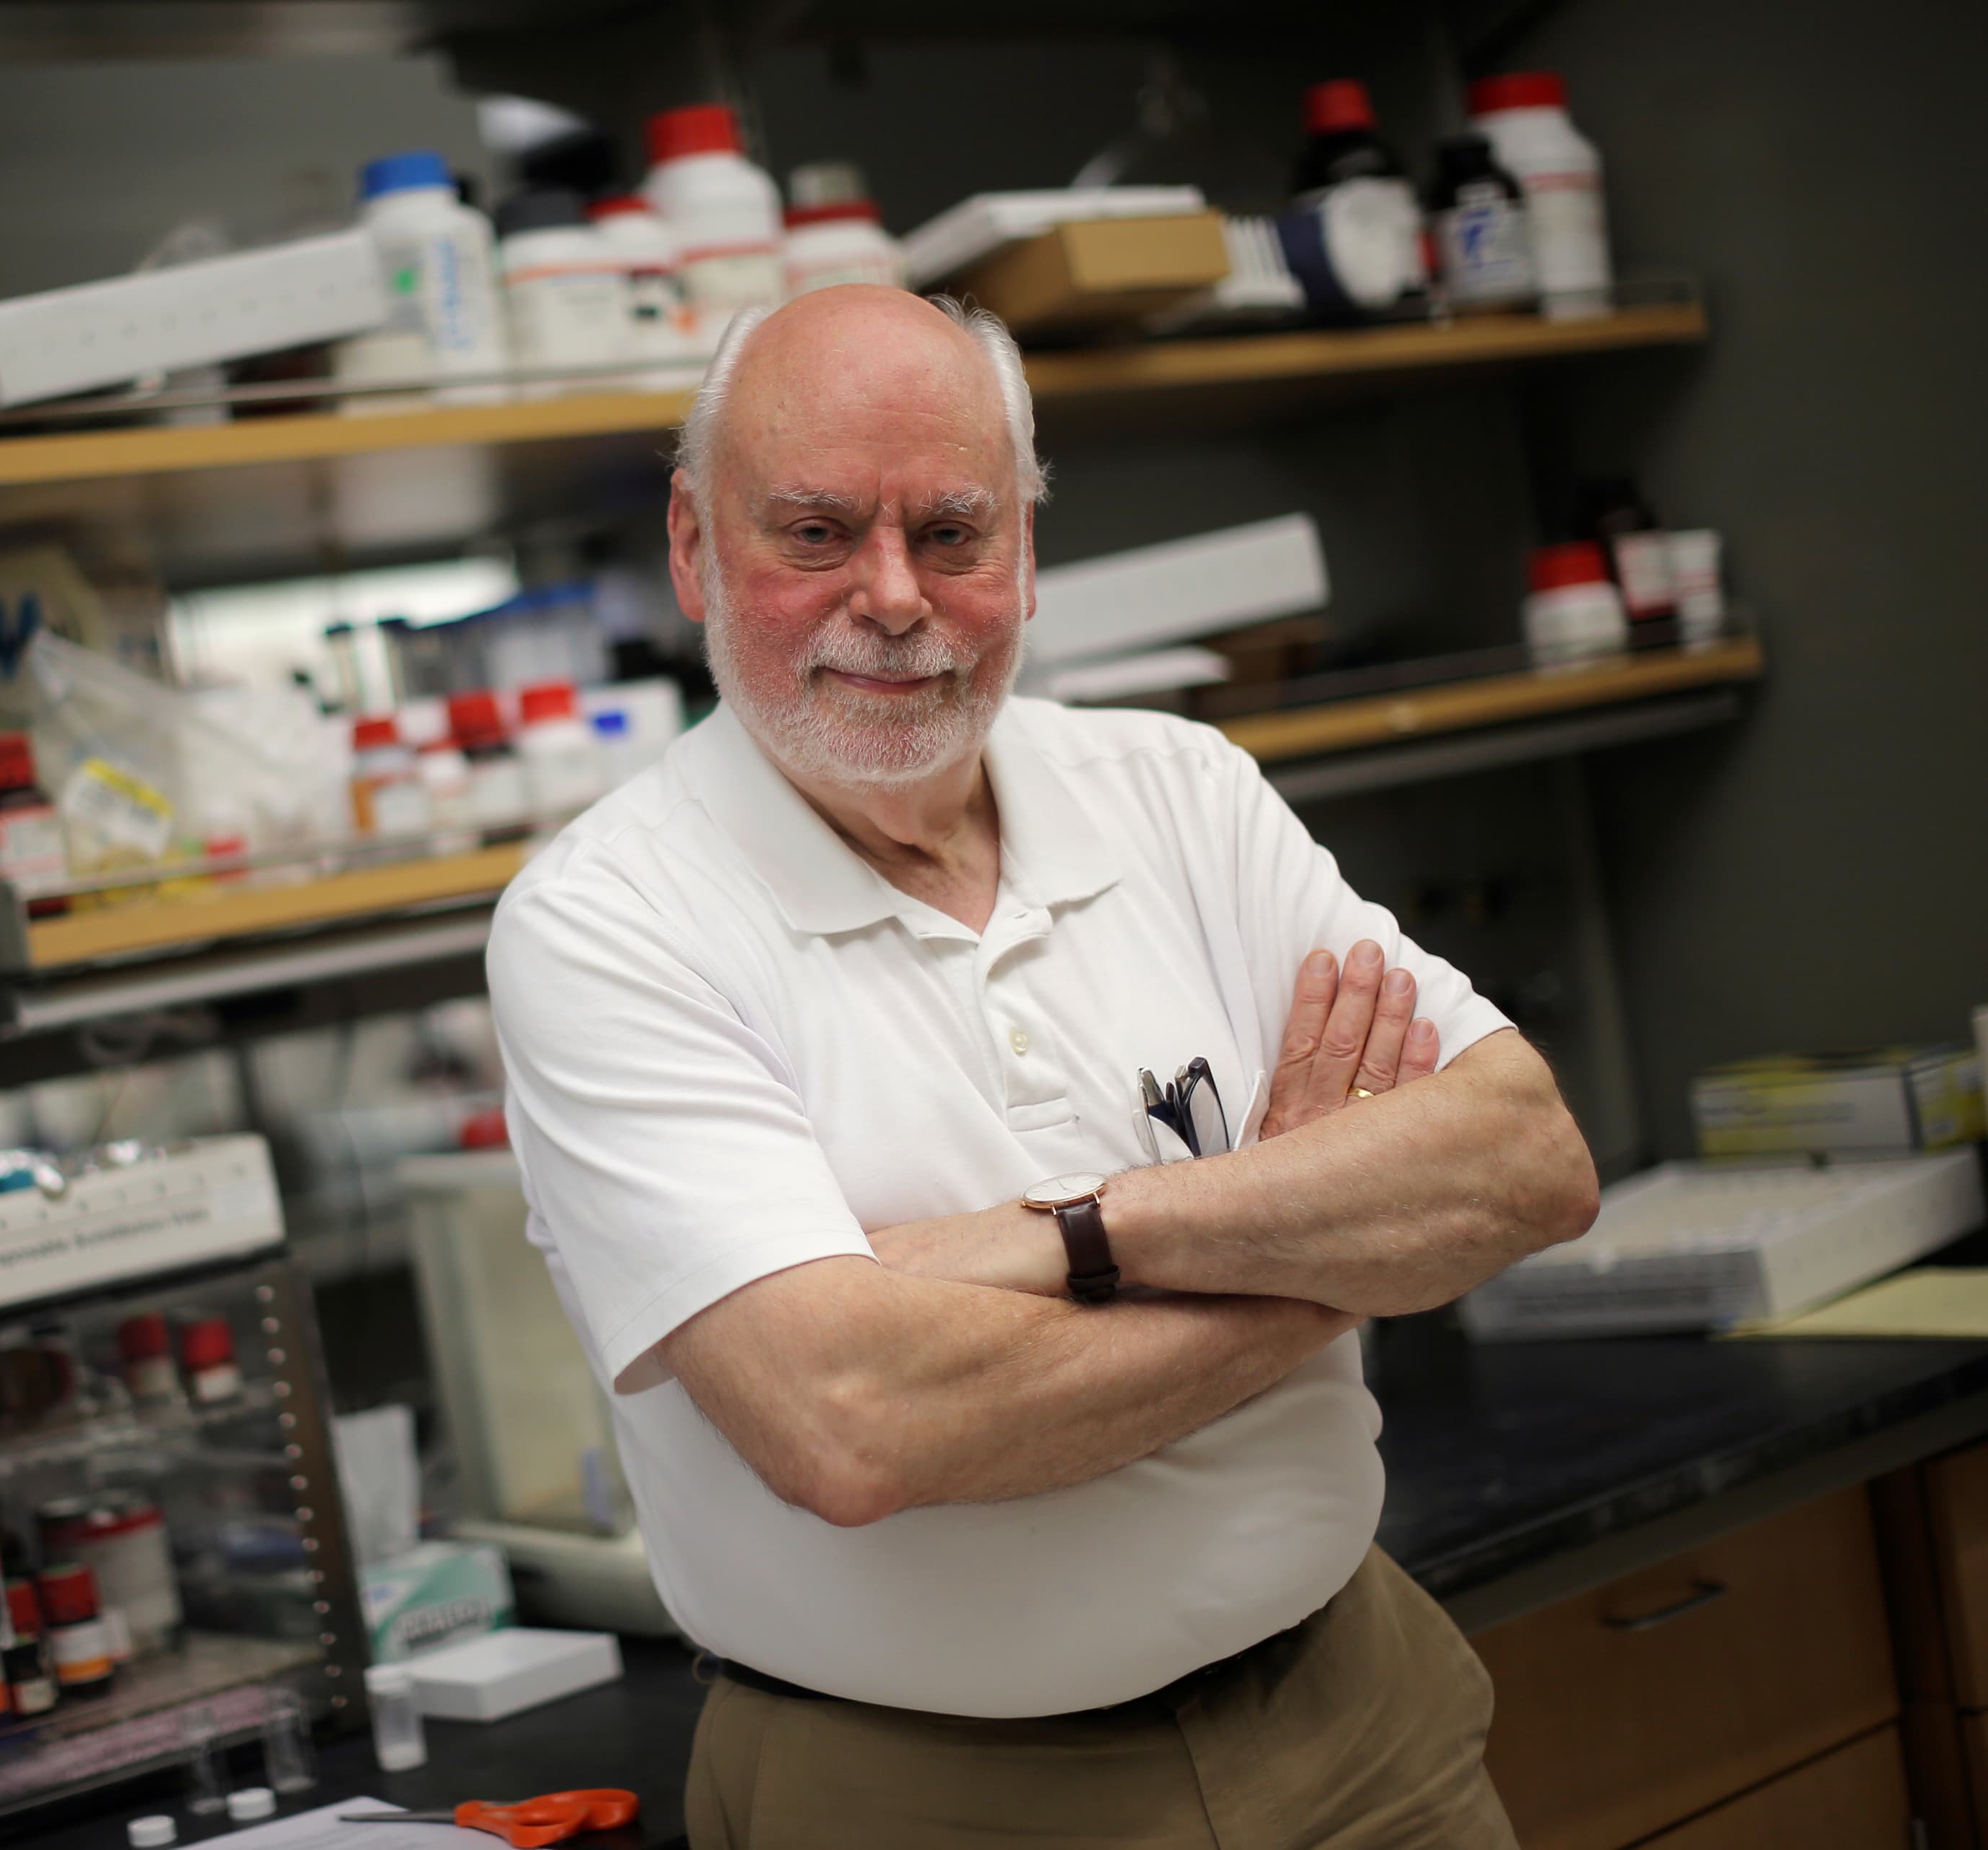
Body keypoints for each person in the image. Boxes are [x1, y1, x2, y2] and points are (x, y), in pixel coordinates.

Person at [486, 286, 1599, 1848]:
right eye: (813, 534)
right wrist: (1328, 1239)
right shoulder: (609, 922)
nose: (892, 596)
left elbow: (1526, 1161)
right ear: (690, 546)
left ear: (1024, 543)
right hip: (925, 1792)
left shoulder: (1178, 790)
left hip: (1363, 1724)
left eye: (953, 533)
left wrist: (1081, 1234)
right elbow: (855, 1424)